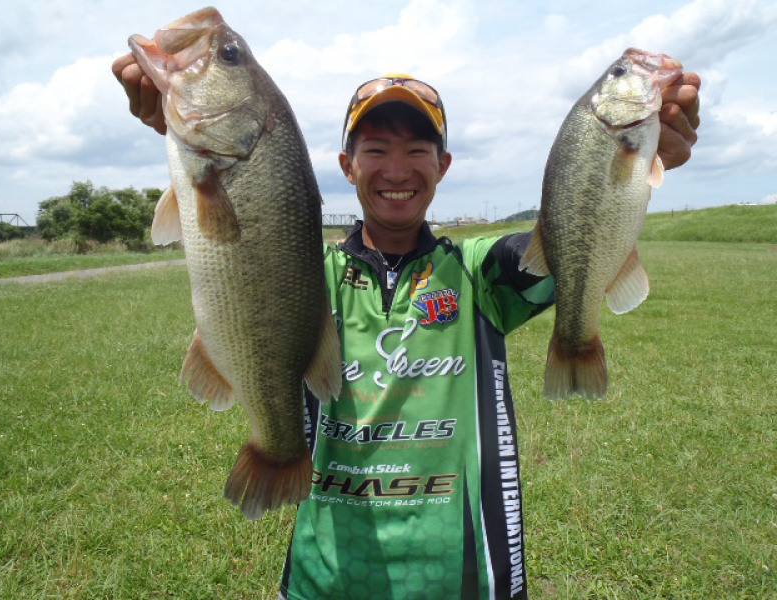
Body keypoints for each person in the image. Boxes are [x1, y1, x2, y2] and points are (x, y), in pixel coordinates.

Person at [112, 56, 700, 599]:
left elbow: (569, 241)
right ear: (347, 166)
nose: (397, 169)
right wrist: (182, 128)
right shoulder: (300, 276)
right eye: (374, 149)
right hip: (329, 573)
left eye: (418, 150)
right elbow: (241, 242)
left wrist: (622, 163)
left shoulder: (477, 275)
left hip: (468, 572)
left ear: (443, 166)